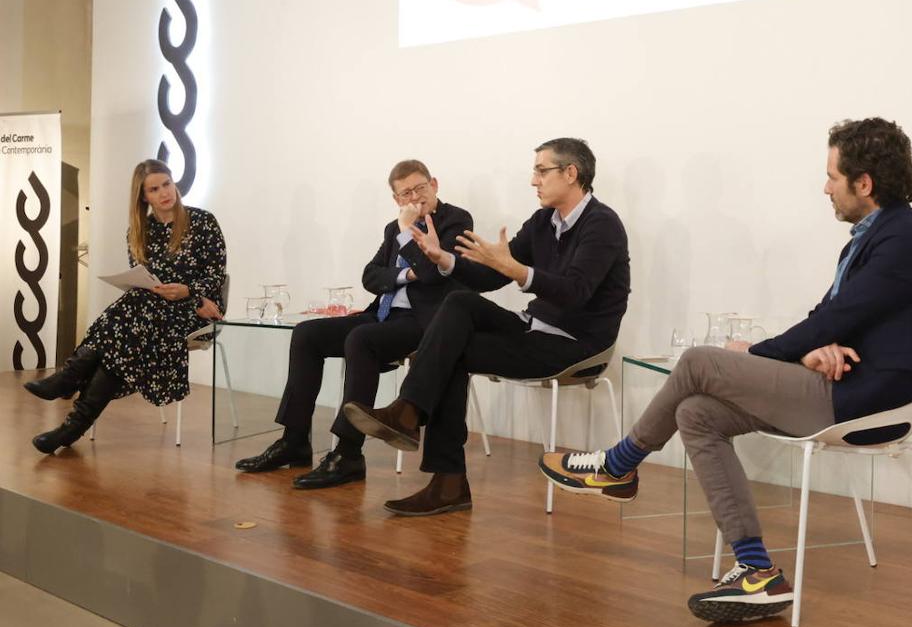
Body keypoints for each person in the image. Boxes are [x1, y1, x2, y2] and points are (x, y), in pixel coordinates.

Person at [540, 118, 912, 623]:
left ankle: (619, 464)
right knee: (696, 413)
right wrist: (810, 349)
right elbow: (832, 319)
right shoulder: (869, 239)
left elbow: (841, 318)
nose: (825, 188)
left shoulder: (904, 236)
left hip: (870, 399)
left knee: (698, 362)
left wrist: (756, 355)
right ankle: (757, 572)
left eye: (832, 177)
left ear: (864, 183)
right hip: (844, 383)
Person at [343, 138, 631, 517]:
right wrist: (442, 257)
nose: (534, 181)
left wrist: (516, 270)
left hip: (575, 343)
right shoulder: (544, 221)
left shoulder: (602, 224)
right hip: (534, 328)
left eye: (542, 171)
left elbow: (575, 292)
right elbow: (488, 277)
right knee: (458, 303)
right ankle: (413, 424)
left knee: (451, 350)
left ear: (571, 173)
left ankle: (434, 457)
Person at [234, 159, 473, 489]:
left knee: (362, 339)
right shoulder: (394, 229)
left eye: (420, 188)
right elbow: (370, 276)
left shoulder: (455, 220)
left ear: (434, 184)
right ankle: (294, 440)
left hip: (426, 322)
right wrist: (406, 272)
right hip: (383, 315)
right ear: (396, 199)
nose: (415, 198)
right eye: (406, 193)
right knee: (308, 334)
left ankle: (348, 454)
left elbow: (434, 273)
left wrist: (408, 240)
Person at [25, 159, 227, 454]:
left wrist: (189, 293)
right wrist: (156, 290)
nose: (164, 193)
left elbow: (216, 276)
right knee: (132, 324)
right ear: (144, 196)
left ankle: (69, 382)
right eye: (155, 189)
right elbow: (143, 280)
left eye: (167, 184)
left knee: (131, 322)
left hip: (196, 310)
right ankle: (70, 426)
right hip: (150, 312)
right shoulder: (139, 231)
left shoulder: (203, 222)